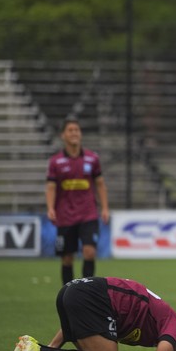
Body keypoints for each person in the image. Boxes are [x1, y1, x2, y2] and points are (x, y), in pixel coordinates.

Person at [1, 276, 176, 351]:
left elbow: (80, 324)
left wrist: (55, 347)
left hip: (73, 291)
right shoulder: (174, 323)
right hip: (92, 296)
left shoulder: (157, 325)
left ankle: (36, 350)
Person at [46, 115, 109, 285]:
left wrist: (104, 208)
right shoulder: (56, 161)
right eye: (70, 130)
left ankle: (86, 292)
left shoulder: (92, 158)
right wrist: (50, 207)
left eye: (76, 130)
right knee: (67, 258)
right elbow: (51, 187)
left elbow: (100, 184)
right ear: (63, 135)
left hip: (88, 214)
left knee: (89, 252)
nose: (74, 133)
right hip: (65, 216)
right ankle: (67, 293)